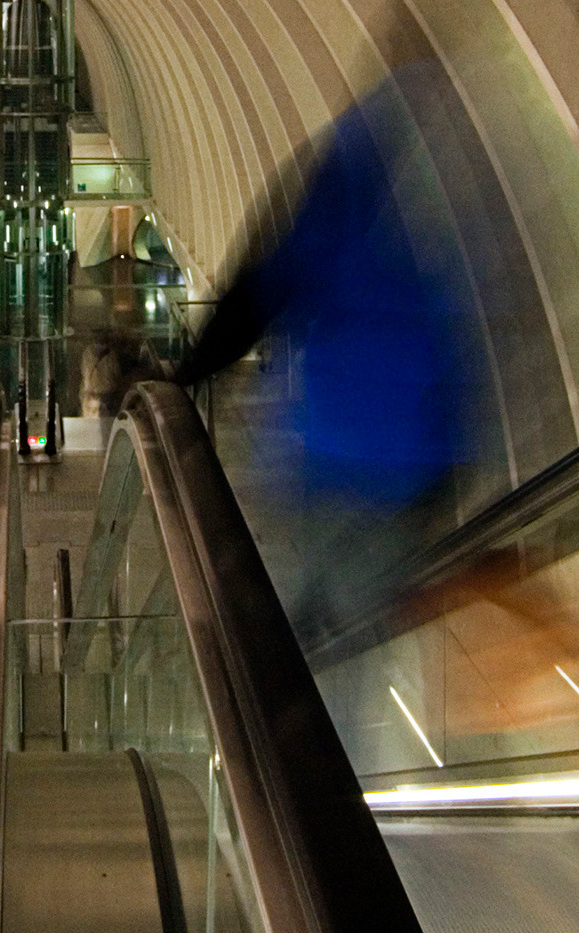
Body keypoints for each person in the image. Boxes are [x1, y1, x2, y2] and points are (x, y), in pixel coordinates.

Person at [176, 57, 486, 642]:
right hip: (409, 475)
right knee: (365, 628)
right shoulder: (462, 182)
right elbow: (472, 338)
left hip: (326, 458)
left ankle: (285, 701)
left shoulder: (356, 164)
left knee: (296, 627)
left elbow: (268, 284)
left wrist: (188, 372)